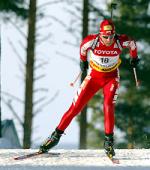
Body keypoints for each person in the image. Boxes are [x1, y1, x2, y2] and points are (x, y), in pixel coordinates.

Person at [39, 19, 139, 157]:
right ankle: (54, 137)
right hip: (93, 78)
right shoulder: (92, 41)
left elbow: (133, 44)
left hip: (111, 78)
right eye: (105, 36)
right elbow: (82, 48)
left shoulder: (120, 41)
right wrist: (83, 61)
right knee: (75, 107)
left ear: (114, 34)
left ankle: (109, 142)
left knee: (108, 105)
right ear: (100, 34)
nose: (108, 39)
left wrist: (134, 58)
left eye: (111, 36)